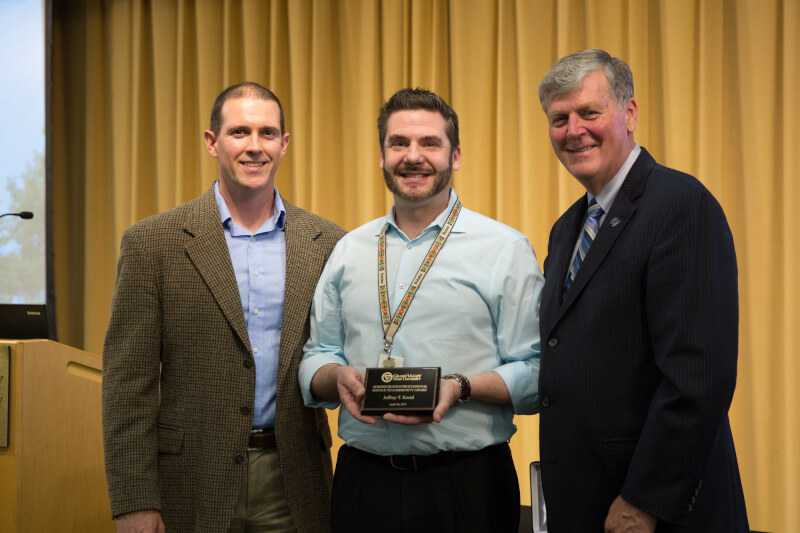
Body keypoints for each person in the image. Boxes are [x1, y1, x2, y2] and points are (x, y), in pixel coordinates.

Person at [298, 88, 544, 533]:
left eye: (430, 143)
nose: (414, 156)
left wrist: (460, 387)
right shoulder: (348, 249)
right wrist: (336, 378)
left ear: (456, 155)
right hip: (362, 485)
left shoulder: (504, 249)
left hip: (469, 488)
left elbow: (538, 370)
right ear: (381, 156)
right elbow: (318, 353)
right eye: (399, 143)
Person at [102, 82, 345, 533]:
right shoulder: (153, 242)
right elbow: (126, 384)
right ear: (212, 142)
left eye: (267, 133)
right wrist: (133, 499)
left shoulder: (328, 244)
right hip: (190, 481)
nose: (255, 147)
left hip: (295, 478)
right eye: (239, 132)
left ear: (284, 144)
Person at [536, 49, 749, 532]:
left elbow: (697, 376)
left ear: (629, 114)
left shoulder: (681, 206)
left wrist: (644, 501)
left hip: (655, 511)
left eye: (590, 112)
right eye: (559, 118)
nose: (574, 130)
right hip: (584, 503)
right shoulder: (565, 228)